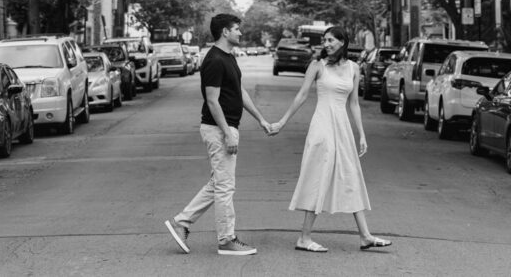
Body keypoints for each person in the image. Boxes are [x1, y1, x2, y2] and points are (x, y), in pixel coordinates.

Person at [271, 25, 391, 253]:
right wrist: (282, 122)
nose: (325, 44)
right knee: (319, 175)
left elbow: (354, 104)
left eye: (330, 40)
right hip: (322, 126)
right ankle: (304, 238)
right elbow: (302, 95)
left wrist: (362, 134)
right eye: (324, 40)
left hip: (342, 127)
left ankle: (365, 236)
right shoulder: (317, 66)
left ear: (342, 42)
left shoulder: (353, 68)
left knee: (351, 175)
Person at [165, 14, 273, 256]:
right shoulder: (214, 60)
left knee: (218, 184)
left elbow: (239, 92)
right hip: (218, 129)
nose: (240, 33)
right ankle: (226, 239)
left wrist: (261, 119)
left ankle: (182, 222)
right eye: (237, 29)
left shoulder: (228, 57)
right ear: (225, 31)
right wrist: (227, 133)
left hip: (226, 127)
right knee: (225, 187)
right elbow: (212, 101)